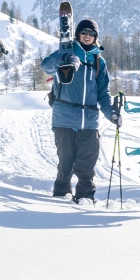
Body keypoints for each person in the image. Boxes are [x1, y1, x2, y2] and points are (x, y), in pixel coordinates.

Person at [40, 18, 118, 202]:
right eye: (84, 32)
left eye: (92, 33)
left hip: (90, 121)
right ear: (78, 34)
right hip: (64, 119)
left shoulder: (99, 61)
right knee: (65, 164)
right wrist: (65, 58)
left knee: (87, 165)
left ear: (96, 37)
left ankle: (85, 198)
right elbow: (46, 67)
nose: (88, 36)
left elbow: (103, 93)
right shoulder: (66, 51)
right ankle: (60, 196)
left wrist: (111, 113)